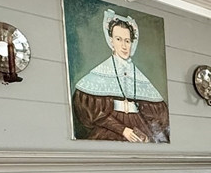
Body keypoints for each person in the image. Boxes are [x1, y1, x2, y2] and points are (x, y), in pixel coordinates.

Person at [72, 10, 169, 142]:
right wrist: (123, 130)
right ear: (111, 41)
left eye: (127, 41)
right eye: (119, 39)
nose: (124, 46)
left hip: (139, 126)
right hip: (110, 129)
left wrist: (147, 134)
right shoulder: (101, 72)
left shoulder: (138, 75)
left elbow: (157, 118)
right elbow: (92, 113)